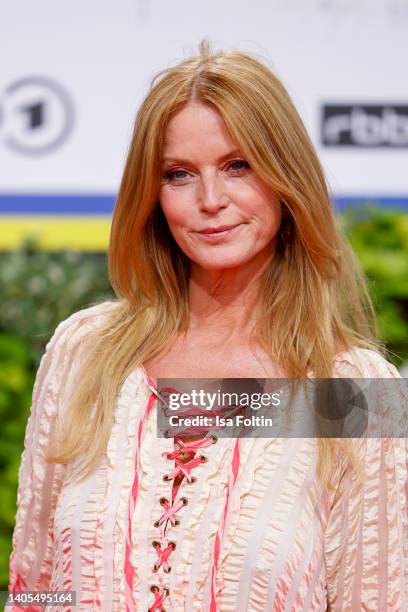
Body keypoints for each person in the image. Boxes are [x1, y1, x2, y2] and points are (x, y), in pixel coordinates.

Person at [8, 41, 407, 611]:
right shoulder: (86, 351)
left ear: (286, 175)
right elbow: (36, 589)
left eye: (237, 166)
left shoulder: (354, 390)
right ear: (152, 195)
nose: (210, 200)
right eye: (178, 174)